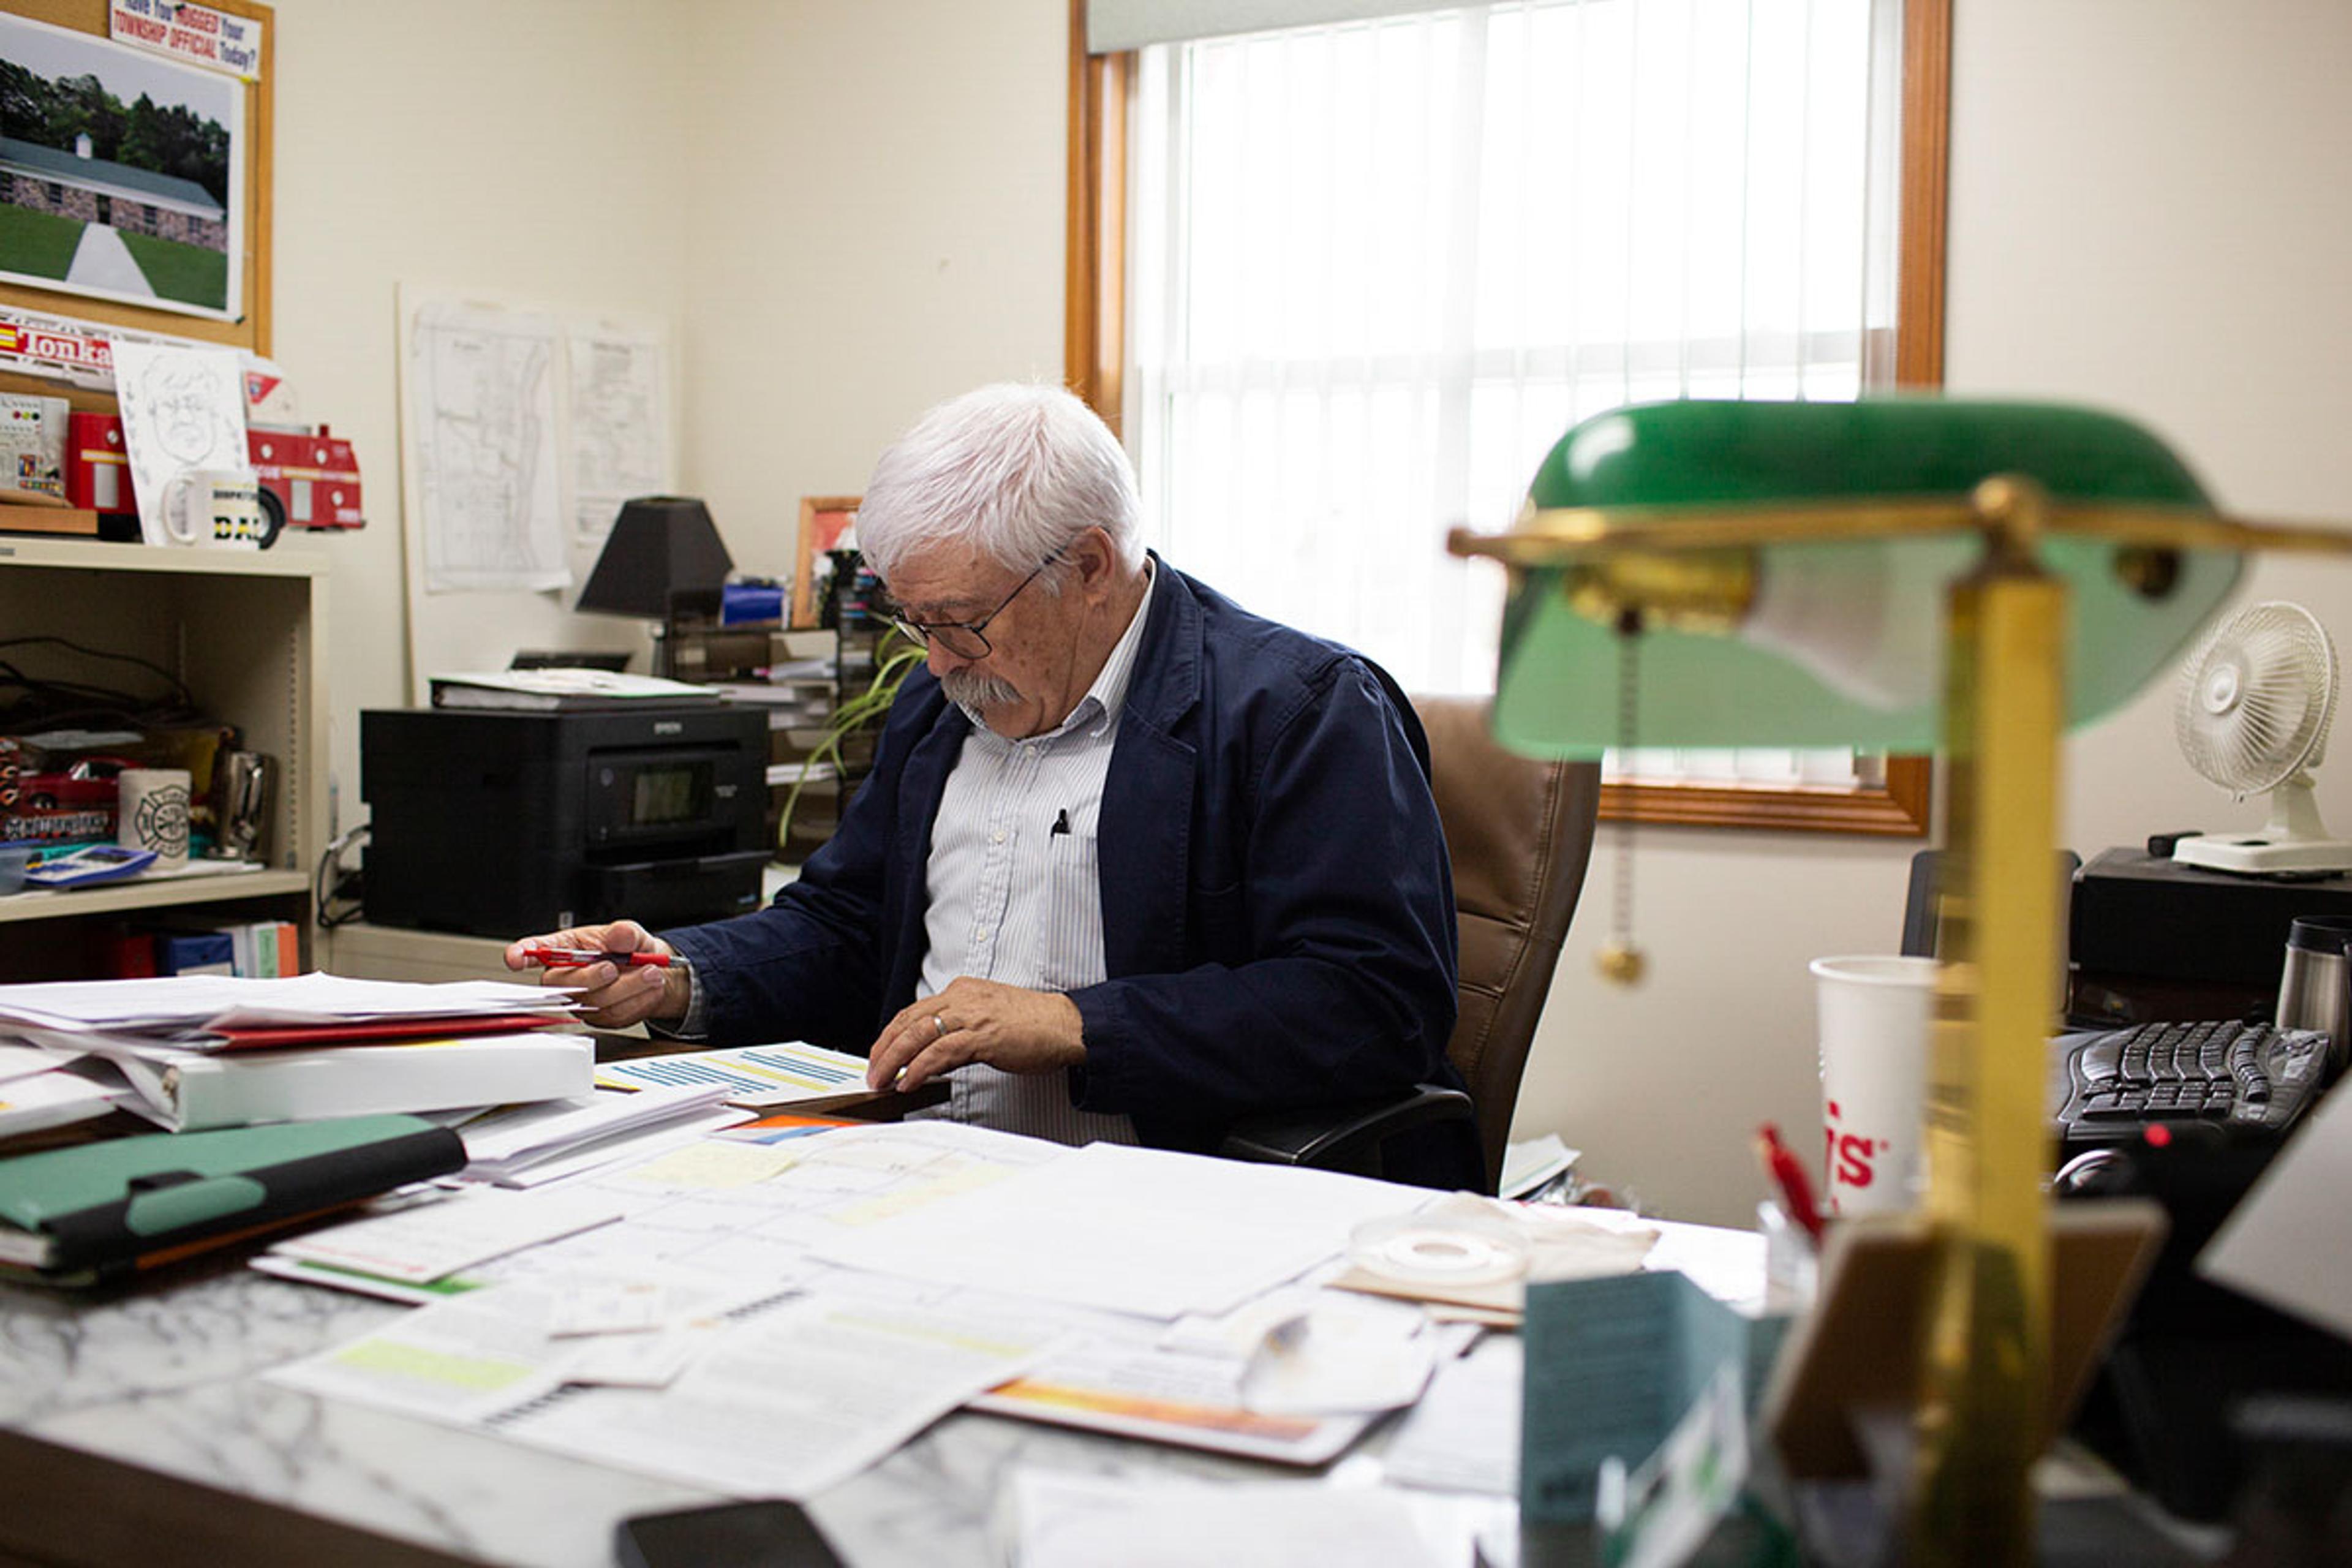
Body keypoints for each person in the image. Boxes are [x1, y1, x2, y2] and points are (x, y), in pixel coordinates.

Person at [508, 382, 1478, 1189]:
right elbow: (847, 926)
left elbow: (1374, 1000)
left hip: (1159, 1203)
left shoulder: (1298, 712)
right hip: (912, 1181)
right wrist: (676, 974)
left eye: (961, 620)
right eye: (913, 621)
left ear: (1093, 565)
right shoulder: (946, 707)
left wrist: (1069, 1021)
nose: (933, 662)